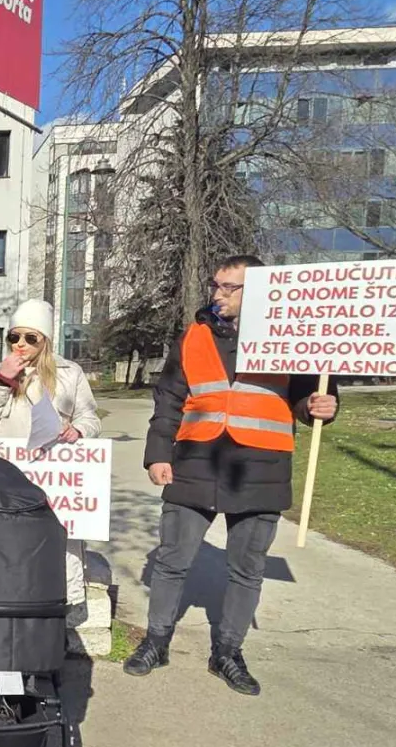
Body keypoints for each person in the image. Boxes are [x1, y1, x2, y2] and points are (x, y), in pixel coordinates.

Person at [123, 254, 339, 695]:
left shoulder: (292, 336)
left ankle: (227, 653)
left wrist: (321, 407)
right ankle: (156, 641)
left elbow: (308, 396)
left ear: (257, 291)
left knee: (247, 570)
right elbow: (169, 400)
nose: (217, 294)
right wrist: (156, 455)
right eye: (215, 285)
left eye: (229, 287)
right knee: (171, 561)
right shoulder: (195, 335)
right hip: (195, 464)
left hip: (261, 469)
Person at [0, 299, 102, 612]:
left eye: (31, 338)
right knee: (7, 550)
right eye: (14, 337)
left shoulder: (70, 373)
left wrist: (78, 430)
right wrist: (1, 381)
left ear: (46, 341)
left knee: (52, 552)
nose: (21, 345)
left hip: (54, 478)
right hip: (6, 478)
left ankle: (54, 620)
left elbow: (91, 417)